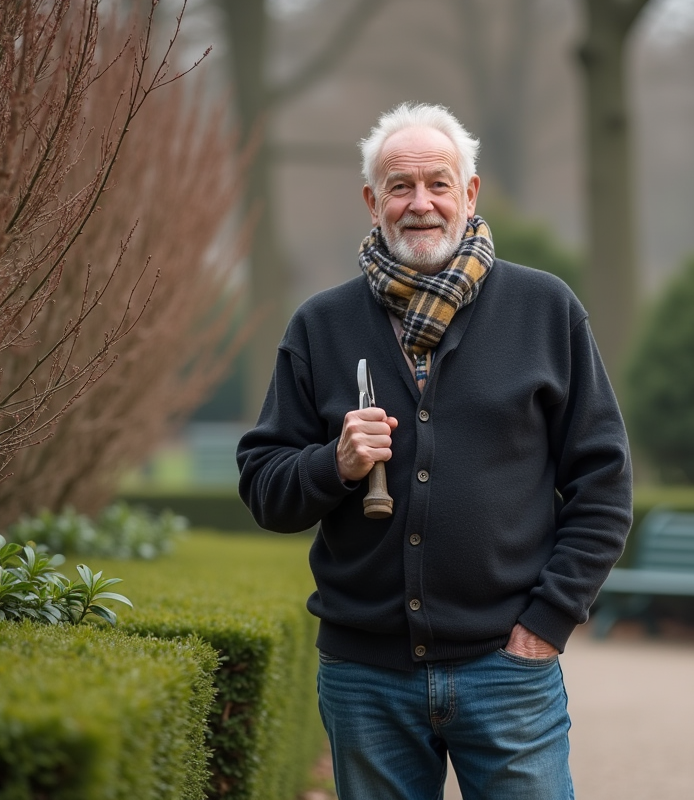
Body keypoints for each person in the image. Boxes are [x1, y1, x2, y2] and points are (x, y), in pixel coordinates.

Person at [236, 102, 632, 800]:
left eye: (439, 183)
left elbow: (604, 484)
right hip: (365, 679)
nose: (421, 203)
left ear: (470, 193)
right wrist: (336, 464)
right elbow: (264, 486)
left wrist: (546, 623)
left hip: (507, 671)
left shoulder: (546, 311)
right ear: (372, 201)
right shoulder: (320, 327)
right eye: (399, 185)